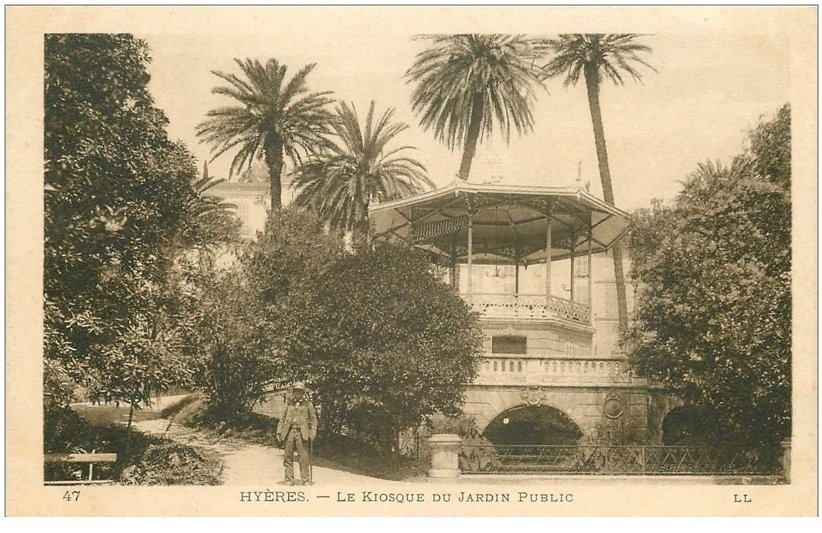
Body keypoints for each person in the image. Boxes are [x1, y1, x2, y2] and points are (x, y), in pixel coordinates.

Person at [277, 382, 318, 485]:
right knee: (288, 456)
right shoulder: (289, 403)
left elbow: (314, 420)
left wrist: (313, 432)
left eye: (300, 391)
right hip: (289, 432)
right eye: (296, 391)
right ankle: (289, 479)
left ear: (303, 392)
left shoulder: (308, 404)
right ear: (293, 392)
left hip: (302, 433)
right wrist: (279, 431)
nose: (298, 393)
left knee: (303, 457)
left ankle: (305, 480)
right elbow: (282, 418)